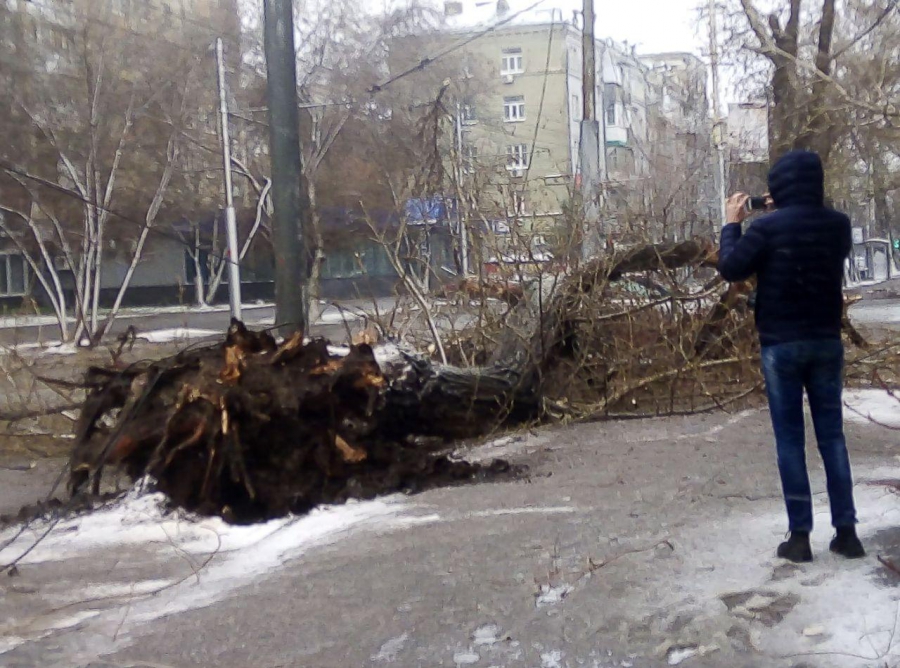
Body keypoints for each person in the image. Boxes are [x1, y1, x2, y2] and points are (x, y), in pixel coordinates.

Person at [718, 149, 865, 563]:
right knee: (832, 437)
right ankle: (847, 533)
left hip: (781, 344)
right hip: (825, 342)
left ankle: (799, 537)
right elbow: (809, 231)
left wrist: (733, 223)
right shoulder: (838, 226)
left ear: (779, 187)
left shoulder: (766, 229)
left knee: (790, 440)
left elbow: (730, 267)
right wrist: (779, 206)